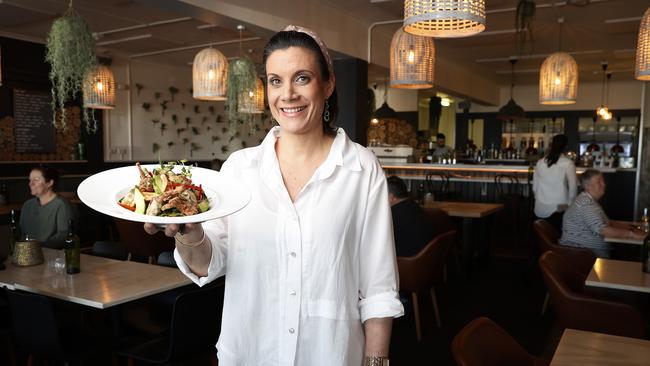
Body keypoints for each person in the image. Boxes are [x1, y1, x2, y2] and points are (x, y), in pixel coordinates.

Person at [144, 25, 403, 366]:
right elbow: (209, 263)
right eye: (276, 80)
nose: (288, 94)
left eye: (302, 78)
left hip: (330, 354)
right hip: (250, 352)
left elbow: (379, 286)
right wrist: (189, 232)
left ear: (328, 84)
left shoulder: (360, 169)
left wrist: (376, 362)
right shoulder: (239, 169)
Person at [559, 169, 645, 258]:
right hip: (582, 256)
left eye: (603, 181)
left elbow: (608, 223)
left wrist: (632, 228)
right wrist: (632, 234)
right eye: (599, 182)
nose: (604, 184)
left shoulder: (589, 201)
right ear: (588, 186)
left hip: (588, 253)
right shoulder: (586, 204)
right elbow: (605, 231)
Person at [19, 165, 75, 249]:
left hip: (52, 254)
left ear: (49, 183)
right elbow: (22, 232)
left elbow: (63, 235)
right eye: (30, 180)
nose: (30, 184)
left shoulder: (61, 204)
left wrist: (40, 247)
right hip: (28, 255)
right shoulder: (27, 205)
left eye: (36, 180)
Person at [532, 134, 577, 232]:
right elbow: (573, 187)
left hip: (540, 207)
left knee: (543, 236)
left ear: (551, 145)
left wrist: (540, 200)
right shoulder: (568, 163)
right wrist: (569, 204)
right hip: (559, 207)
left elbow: (535, 187)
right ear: (565, 147)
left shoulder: (540, 162)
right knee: (557, 235)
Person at [387, 176, 436, 257]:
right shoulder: (414, 206)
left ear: (391, 197)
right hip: (427, 260)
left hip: (406, 263)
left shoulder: (393, 215)